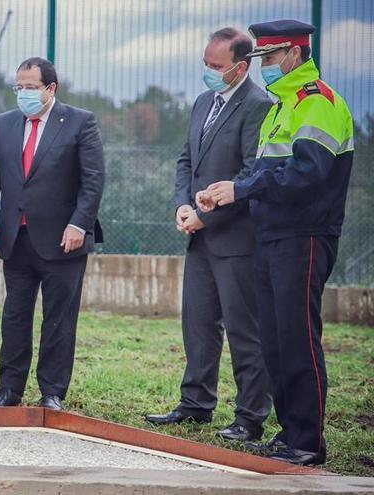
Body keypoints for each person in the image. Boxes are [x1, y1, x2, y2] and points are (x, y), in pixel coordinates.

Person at [197, 20, 354, 466]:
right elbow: (263, 173)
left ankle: (307, 441)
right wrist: (228, 188)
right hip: (271, 235)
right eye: (260, 59)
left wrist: (243, 190)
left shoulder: (317, 103)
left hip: (304, 236)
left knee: (298, 338)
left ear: (294, 55)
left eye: (268, 59)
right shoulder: (281, 108)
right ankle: (289, 434)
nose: (262, 67)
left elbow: (307, 175)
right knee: (275, 340)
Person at [144, 28, 273, 442]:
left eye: (217, 67)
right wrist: (184, 205)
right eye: (206, 63)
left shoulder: (258, 106)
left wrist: (206, 215)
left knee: (243, 329)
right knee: (198, 324)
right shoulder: (203, 102)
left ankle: (251, 417)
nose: (209, 71)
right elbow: (187, 160)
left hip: (236, 239)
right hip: (198, 237)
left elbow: (252, 173)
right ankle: (196, 404)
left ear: (242, 65)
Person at [0, 57, 105, 411]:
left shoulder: (80, 122)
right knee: (14, 316)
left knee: (59, 320)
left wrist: (80, 223)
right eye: (18, 87)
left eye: (30, 87)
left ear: (51, 89)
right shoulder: (4, 124)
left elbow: (92, 181)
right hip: (15, 239)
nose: (23, 93)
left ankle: (51, 392)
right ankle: (8, 389)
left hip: (64, 239)